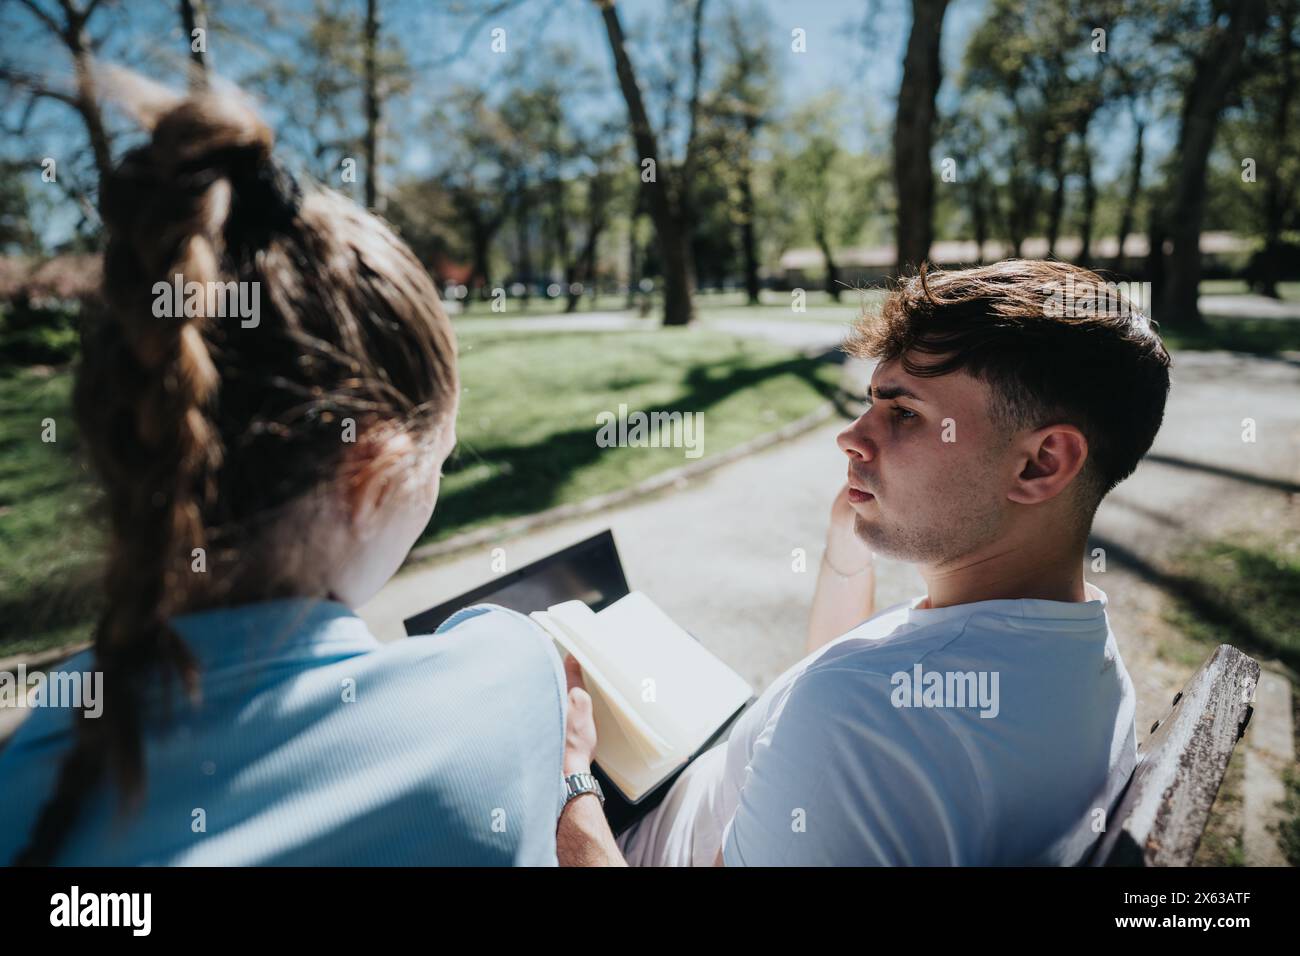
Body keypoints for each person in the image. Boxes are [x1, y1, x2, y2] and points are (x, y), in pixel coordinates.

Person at [0, 87, 569, 866]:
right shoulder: (505, 690)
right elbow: (508, 648)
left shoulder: (33, 766)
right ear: (377, 473)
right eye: (443, 458)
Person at [556, 259, 1171, 866]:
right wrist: (847, 547)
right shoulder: (1076, 651)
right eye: (870, 403)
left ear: (1041, 463)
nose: (851, 436)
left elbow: (850, 712)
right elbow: (857, 681)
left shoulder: (857, 719)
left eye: (904, 413)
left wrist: (572, 785)